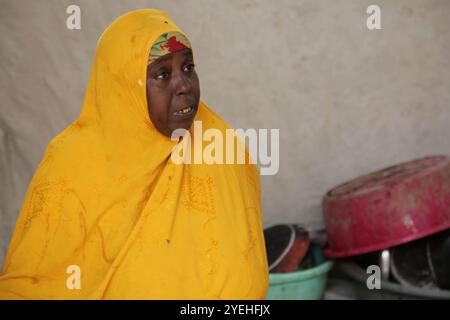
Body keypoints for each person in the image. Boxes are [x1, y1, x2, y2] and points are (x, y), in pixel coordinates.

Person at [0, 9, 268, 299]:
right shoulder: (72, 163)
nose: (184, 85)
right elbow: (34, 284)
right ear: (123, 86)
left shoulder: (221, 147)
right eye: (163, 74)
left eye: (188, 67)